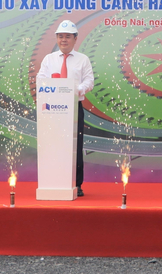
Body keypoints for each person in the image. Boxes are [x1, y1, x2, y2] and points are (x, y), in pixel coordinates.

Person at [36, 20, 95, 197]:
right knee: (52, 144)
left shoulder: (83, 59)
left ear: (75, 39)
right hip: (52, 109)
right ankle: (53, 180)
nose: (63, 40)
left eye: (67, 37)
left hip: (74, 107)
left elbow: (89, 81)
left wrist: (78, 89)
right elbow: (41, 79)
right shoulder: (49, 59)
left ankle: (76, 184)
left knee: (74, 146)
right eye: (60, 36)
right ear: (56, 38)